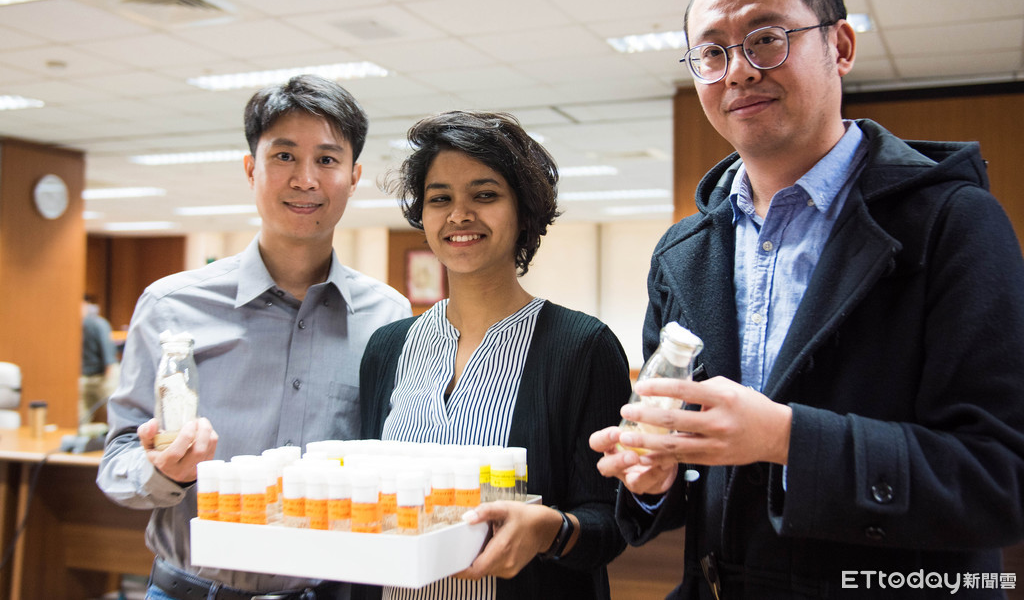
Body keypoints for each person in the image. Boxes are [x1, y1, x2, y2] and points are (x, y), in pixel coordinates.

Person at [590, 0, 1024, 599]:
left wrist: (787, 439)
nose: (738, 70)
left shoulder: (952, 223)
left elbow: (1000, 478)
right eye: (712, 52)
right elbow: (688, 476)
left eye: (766, 39)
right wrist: (656, 478)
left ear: (840, 47)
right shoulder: (683, 251)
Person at [98, 74, 412, 600]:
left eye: (327, 160)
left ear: (354, 176)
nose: (305, 180)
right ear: (251, 169)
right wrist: (162, 471)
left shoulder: (388, 317)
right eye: (284, 156)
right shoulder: (171, 306)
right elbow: (118, 461)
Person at [357, 110, 631, 600]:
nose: (459, 215)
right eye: (440, 198)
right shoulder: (388, 348)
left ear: (524, 212)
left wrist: (549, 529)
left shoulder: (582, 347)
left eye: (484, 195)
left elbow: (613, 520)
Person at [81, 294, 118, 424]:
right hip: (86, 377)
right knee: (82, 416)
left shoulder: (97, 323)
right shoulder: (77, 325)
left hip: (103, 376)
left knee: (113, 411)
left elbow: (108, 352)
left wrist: (108, 377)